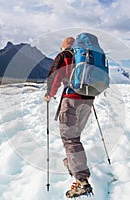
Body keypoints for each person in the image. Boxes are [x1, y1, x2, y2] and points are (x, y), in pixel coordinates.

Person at [44, 37, 94, 197]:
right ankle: (72, 162)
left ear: (65, 45)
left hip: (72, 100)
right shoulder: (89, 56)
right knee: (75, 136)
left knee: (70, 139)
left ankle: (82, 181)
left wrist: (49, 95)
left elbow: (54, 77)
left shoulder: (64, 55)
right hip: (88, 100)